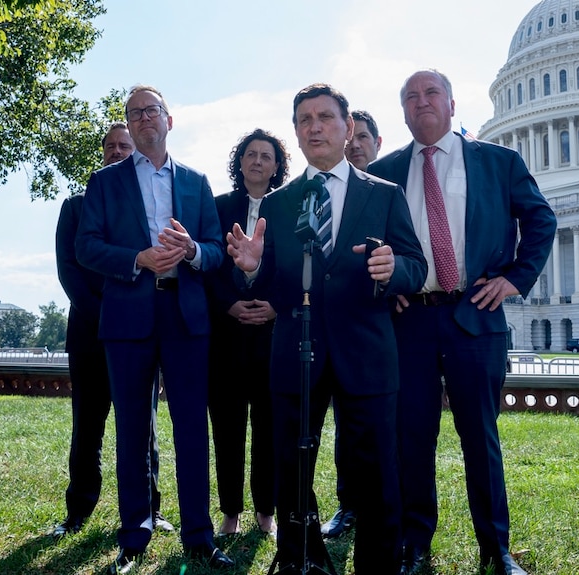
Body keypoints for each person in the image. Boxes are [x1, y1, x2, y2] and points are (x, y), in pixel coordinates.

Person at [226, 83, 427, 575]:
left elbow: (416, 265)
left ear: (348, 128)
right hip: (295, 352)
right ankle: (301, 560)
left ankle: (376, 565)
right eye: (304, 120)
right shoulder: (278, 203)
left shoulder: (384, 195)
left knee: (376, 473)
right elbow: (270, 284)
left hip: (367, 353)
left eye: (325, 117)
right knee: (292, 472)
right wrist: (251, 268)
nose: (314, 126)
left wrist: (391, 267)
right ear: (296, 134)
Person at [368, 69, 556, 575]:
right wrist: (388, 292)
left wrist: (516, 279)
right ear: (403, 111)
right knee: (412, 439)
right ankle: (415, 544)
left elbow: (542, 219)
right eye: (410, 97)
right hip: (411, 323)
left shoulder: (498, 162)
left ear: (452, 103)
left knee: (481, 438)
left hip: (478, 314)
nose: (421, 102)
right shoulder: (383, 174)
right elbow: (368, 248)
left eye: (431, 94)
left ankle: (496, 549)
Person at [75, 85, 232, 574]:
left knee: (191, 429)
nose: (144, 119)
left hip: (185, 317)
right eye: (134, 113)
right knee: (132, 430)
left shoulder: (197, 181)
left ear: (170, 120)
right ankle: (134, 534)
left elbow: (216, 249)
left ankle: (199, 536)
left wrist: (192, 252)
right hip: (127, 319)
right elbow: (86, 247)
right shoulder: (103, 183)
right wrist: (136, 258)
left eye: (152, 111)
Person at [51, 122, 174, 540]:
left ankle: (151, 510)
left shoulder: (150, 209)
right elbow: (70, 271)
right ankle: (78, 510)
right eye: (112, 146)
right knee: (87, 424)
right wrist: (108, 316)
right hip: (90, 333)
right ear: (102, 153)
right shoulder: (75, 206)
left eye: (126, 145)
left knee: (145, 425)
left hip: (141, 332)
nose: (119, 151)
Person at [206, 129, 290, 537]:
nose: (258, 161)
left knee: (269, 427)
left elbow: (294, 267)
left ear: (277, 166)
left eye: (266, 156)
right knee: (227, 425)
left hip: (274, 334)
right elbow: (207, 264)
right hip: (227, 334)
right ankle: (230, 513)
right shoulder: (217, 207)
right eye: (250, 154)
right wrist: (228, 304)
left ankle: (266, 512)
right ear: (239, 163)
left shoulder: (289, 209)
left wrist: (274, 303)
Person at [320, 108, 384, 541]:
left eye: (365, 137)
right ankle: (349, 505)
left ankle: (389, 510)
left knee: (388, 428)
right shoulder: (327, 193)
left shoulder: (390, 191)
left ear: (378, 143)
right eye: (352, 136)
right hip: (340, 331)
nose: (356, 144)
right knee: (346, 424)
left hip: (390, 326)